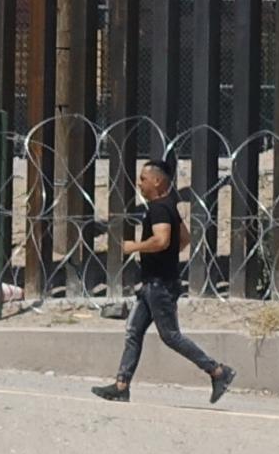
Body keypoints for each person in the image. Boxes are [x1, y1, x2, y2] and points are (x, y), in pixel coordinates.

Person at [93, 162, 235, 405]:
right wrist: (164, 258)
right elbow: (184, 239)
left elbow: (161, 240)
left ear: (157, 181)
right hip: (153, 283)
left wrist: (134, 247)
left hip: (159, 286)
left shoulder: (159, 208)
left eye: (143, 179)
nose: (140, 183)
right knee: (133, 332)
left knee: (170, 336)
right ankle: (121, 385)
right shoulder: (168, 206)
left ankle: (218, 371)